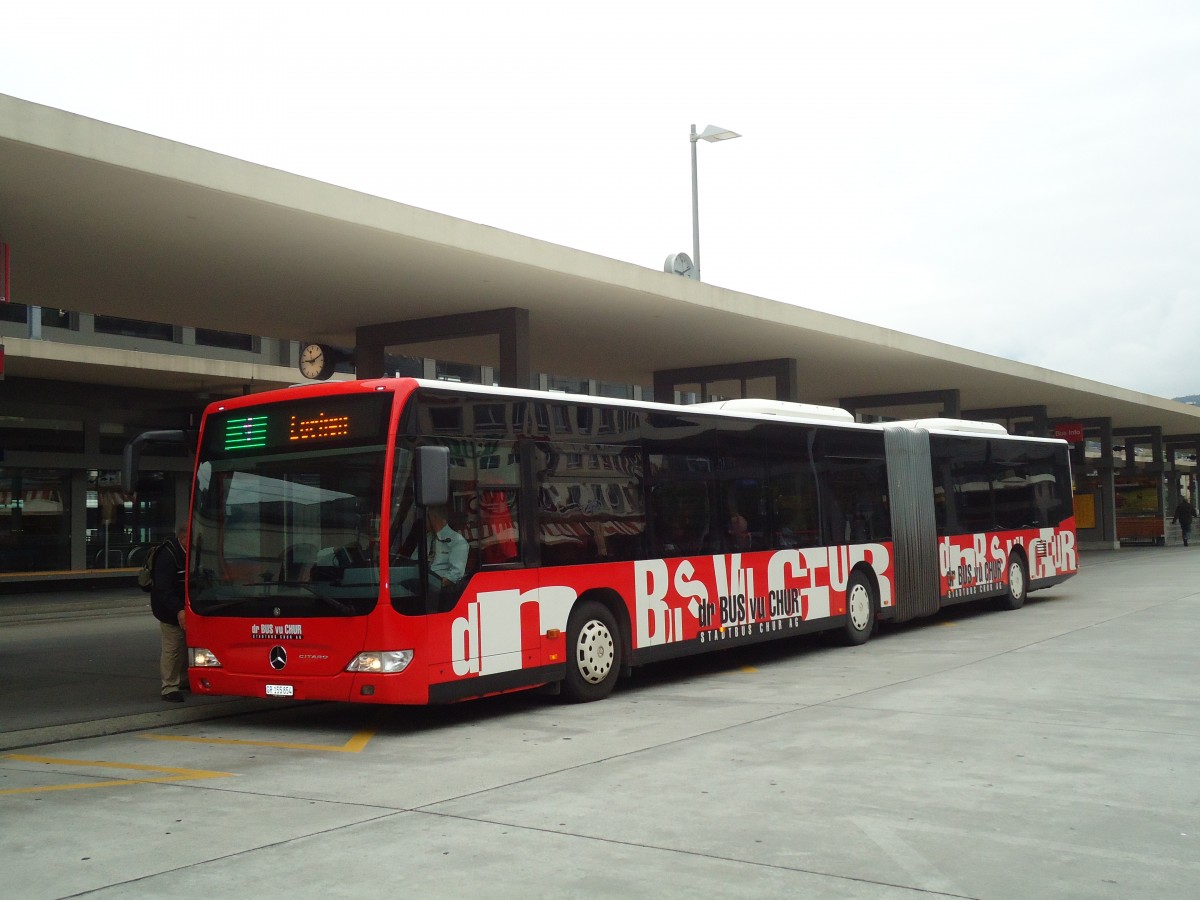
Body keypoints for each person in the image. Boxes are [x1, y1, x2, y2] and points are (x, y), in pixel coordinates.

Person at [150, 524, 188, 702]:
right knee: (173, 647)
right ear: (183, 538)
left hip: (188, 607)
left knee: (187, 645)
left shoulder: (191, 553)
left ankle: (184, 679)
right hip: (168, 610)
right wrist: (178, 610)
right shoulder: (168, 555)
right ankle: (169, 687)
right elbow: (163, 590)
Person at [423, 504, 468, 591]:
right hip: (423, 582)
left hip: (440, 590)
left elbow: (456, 573)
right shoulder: (427, 538)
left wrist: (438, 585)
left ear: (434, 518)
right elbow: (415, 561)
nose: (424, 522)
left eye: (426, 518)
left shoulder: (457, 540)